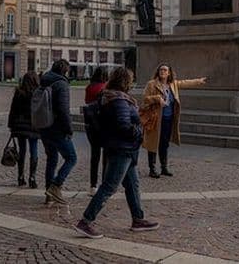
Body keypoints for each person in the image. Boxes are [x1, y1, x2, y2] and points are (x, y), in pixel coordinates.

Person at [74, 67, 160, 239]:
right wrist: (138, 129)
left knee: (133, 185)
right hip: (122, 149)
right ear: (125, 82)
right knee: (109, 186)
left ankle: (138, 219)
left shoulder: (112, 97)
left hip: (124, 148)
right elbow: (123, 126)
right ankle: (85, 221)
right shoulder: (119, 100)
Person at [141, 63, 207, 178]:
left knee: (164, 143)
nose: (163, 72)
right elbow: (145, 99)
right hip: (156, 118)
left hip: (168, 118)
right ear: (158, 72)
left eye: (165, 70)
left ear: (169, 73)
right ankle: (152, 168)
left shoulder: (173, 84)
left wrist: (199, 81)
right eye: (161, 70)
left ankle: (164, 167)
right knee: (153, 143)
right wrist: (157, 99)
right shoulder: (151, 84)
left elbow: (185, 82)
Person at [40, 59, 77, 205]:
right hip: (57, 128)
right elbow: (63, 110)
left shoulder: (44, 80)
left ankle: (49, 195)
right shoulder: (61, 84)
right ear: (65, 71)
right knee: (71, 158)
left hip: (44, 126)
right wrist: (68, 129)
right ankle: (55, 186)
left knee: (52, 159)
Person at [8, 72, 41, 187]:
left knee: (22, 151)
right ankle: (32, 177)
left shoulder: (19, 93)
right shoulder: (38, 93)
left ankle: (20, 176)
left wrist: (11, 125)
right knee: (34, 151)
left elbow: (13, 110)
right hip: (34, 126)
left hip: (20, 126)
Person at [84, 66, 109, 196]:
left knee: (94, 157)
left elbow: (87, 102)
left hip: (91, 125)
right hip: (104, 124)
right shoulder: (105, 87)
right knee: (106, 156)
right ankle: (104, 183)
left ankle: (92, 185)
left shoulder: (89, 87)